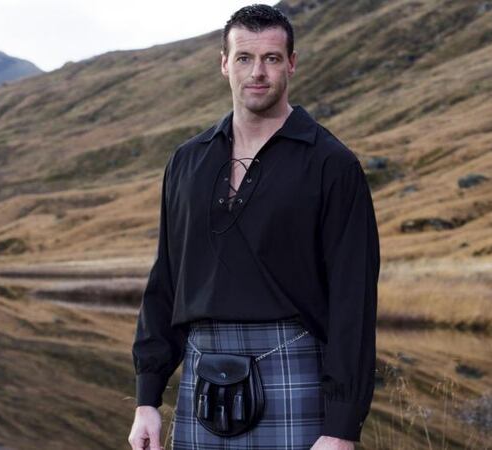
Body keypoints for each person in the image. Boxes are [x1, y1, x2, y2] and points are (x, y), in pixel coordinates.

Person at [128, 4, 380, 450]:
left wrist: (341, 426)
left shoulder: (331, 164)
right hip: (201, 376)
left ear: (292, 64)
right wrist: (147, 398)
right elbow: (166, 278)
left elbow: (352, 299)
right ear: (224, 63)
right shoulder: (187, 161)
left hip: (294, 370)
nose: (257, 72)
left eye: (271, 58)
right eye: (244, 57)